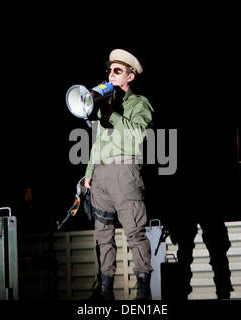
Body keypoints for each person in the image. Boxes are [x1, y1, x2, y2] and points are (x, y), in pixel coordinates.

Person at [84, 49, 154, 300]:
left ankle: (143, 291)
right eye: (109, 70)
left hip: (125, 173)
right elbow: (97, 142)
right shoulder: (105, 104)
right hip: (101, 176)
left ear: (130, 76)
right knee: (103, 235)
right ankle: (105, 292)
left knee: (134, 232)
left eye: (117, 71)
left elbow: (137, 135)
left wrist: (112, 113)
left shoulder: (139, 103)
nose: (110, 75)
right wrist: (89, 173)